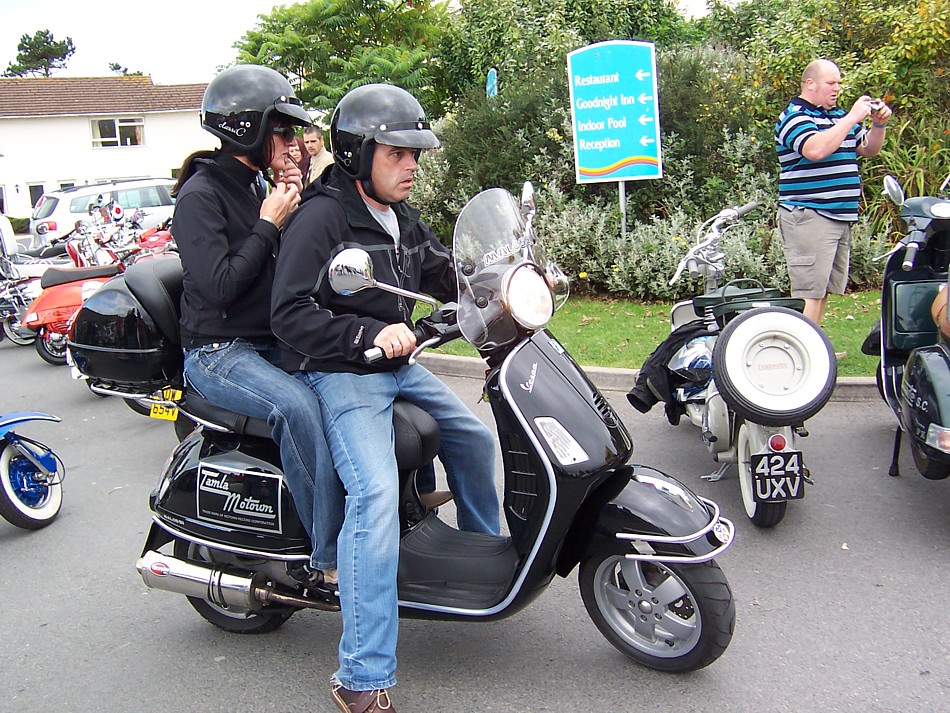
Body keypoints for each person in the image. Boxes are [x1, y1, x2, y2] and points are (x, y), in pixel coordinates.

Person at [271, 83, 501, 712]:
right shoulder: (322, 218)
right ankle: (361, 675)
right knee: (372, 496)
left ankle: (480, 562)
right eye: (397, 153)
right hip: (342, 372)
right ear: (358, 151)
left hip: (399, 364)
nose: (411, 165)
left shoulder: (401, 215)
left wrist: (499, 283)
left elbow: (443, 272)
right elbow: (288, 312)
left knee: (474, 439)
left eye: (415, 154)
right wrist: (367, 334)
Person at [172, 64, 344, 591]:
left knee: (357, 374)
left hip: (268, 340)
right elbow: (220, 288)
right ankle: (329, 558)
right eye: (282, 130)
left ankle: (396, 504)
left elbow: (286, 267)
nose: (294, 142)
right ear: (247, 129)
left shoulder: (254, 184)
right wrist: (269, 223)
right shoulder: (200, 196)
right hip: (217, 352)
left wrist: (297, 203)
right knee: (296, 407)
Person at [775, 58, 893, 326]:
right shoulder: (794, 116)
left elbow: (868, 149)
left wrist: (878, 125)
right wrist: (853, 117)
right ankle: (803, 346)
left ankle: (813, 342)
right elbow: (815, 150)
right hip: (810, 214)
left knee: (822, 290)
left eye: (838, 83)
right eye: (830, 83)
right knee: (809, 293)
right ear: (810, 84)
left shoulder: (837, 116)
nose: (836, 88)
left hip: (838, 216)